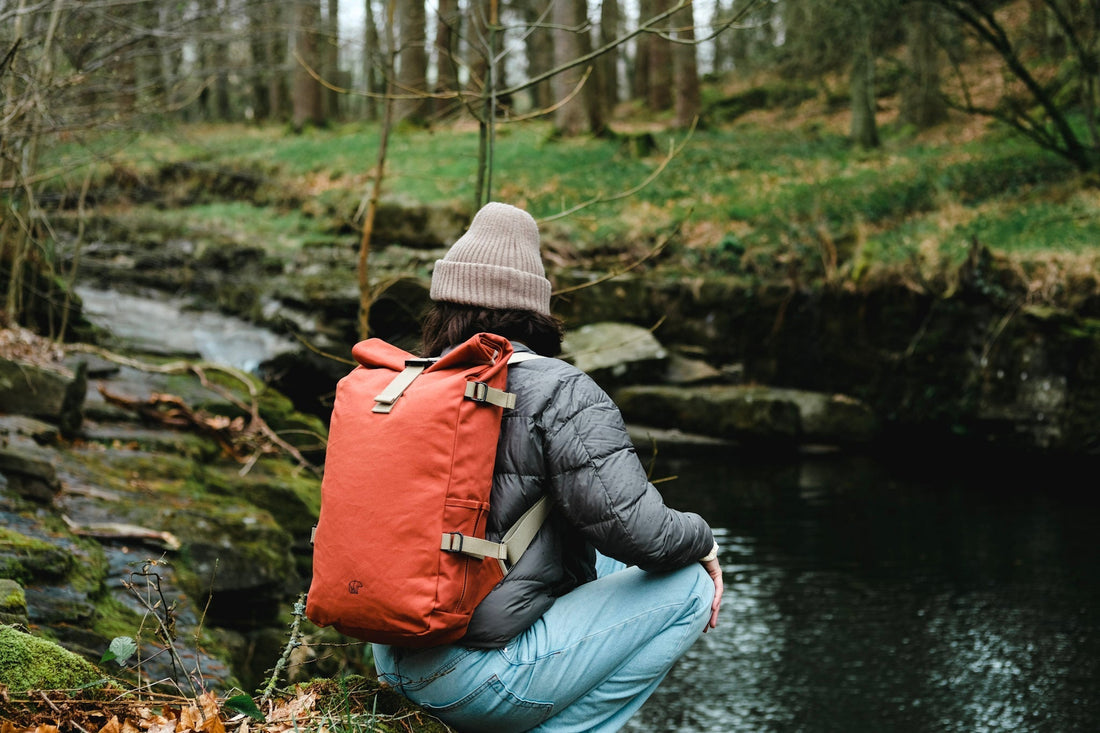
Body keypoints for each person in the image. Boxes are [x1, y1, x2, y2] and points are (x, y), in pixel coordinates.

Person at [372, 201, 724, 733]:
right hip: (474, 677)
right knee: (689, 584)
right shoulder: (559, 389)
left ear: (443, 307)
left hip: (393, 653)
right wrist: (706, 542)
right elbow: (640, 531)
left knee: (607, 562)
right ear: (535, 310)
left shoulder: (406, 384)